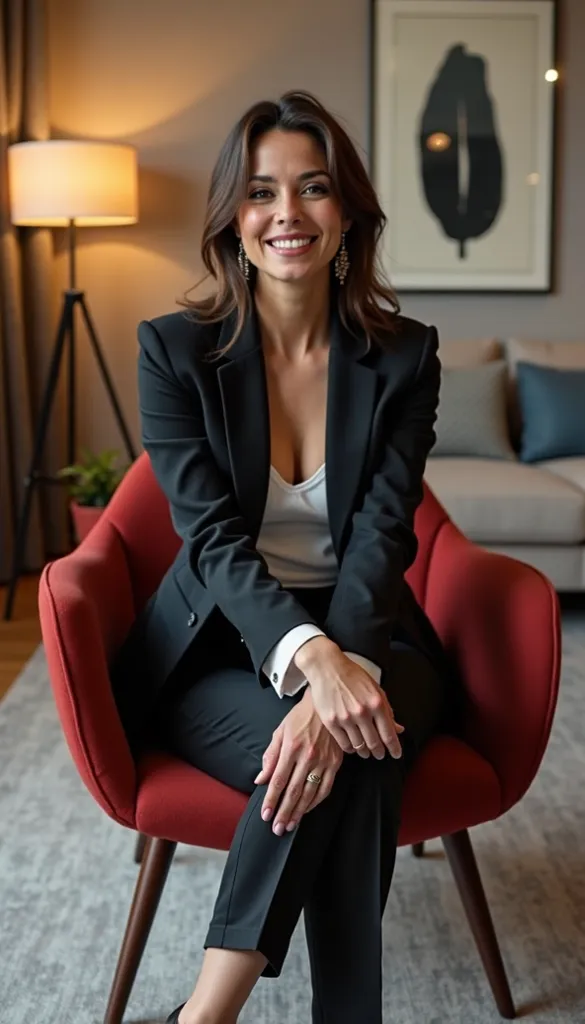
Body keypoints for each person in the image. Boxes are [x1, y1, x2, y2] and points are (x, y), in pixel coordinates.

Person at [111, 89, 458, 1024]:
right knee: (352, 753)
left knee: (354, 740)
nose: (286, 214)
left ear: (345, 212)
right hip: (221, 643)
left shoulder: (405, 358)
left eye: (312, 188)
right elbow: (211, 538)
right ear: (234, 216)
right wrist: (311, 669)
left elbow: (385, 538)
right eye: (262, 192)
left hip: (376, 631)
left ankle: (202, 1014)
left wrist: (338, 678)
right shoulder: (174, 352)